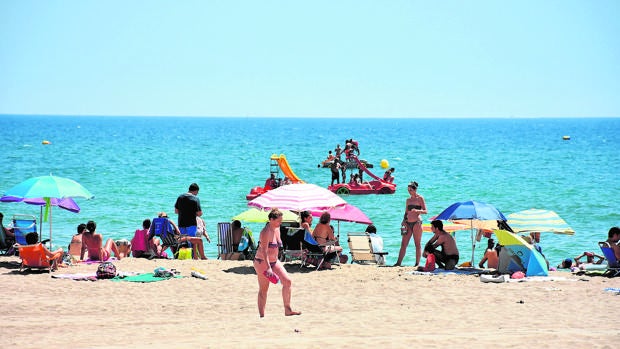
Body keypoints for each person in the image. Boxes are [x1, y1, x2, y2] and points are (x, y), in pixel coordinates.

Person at [252, 208, 301, 317]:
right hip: (262, 262)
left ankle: (288, 310)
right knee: (264, 289)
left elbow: (277, 247)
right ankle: (262, 315)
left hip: (274, 261)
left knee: (287, 282)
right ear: (271, 220)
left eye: (281, 220)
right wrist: (268, 267)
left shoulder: (277, 229)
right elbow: (264, 251)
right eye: (279, 221)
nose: (281, 223)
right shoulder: (265, 232)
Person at [394, 181, 427, 267]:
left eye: (411, 190)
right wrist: (404, 220)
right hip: (408, 223)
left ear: (415, 189)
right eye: (408, 190)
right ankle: (398, 263)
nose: (409, 191)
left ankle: (417, 264)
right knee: (403, 244)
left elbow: (425, 211)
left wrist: (418, 211)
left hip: (417, 223)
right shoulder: (408, 200)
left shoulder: (420, 198)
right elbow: (406, 212)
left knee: (417, 244)